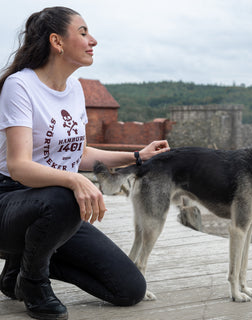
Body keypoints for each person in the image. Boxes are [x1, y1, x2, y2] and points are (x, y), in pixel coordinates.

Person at [0, 6, 170, 320]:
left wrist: (136, 156)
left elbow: (76, 153)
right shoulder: (20, 86)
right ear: (57, 41)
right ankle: (34, 282)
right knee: (64, 193)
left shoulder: (75, 89)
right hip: (9, 203)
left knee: (129, 289)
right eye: (83, 32)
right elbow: (19, 166)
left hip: (55, 212)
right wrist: (75, 180)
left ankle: (19, 270)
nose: (93, 40)